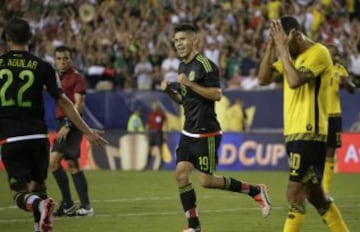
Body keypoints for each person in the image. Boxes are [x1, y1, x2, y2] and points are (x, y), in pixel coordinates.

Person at [161, 23, 271, 232]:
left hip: (206, 132)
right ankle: (194, 226)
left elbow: (217, 94)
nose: (178, 44)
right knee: (181, 175)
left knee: (207, 181)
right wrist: (169, 92)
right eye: (176, 40)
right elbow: (185, 101)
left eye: (182, 39)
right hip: (188, 131)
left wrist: (190, 84)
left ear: (194, 40)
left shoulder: (206, 65)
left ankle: (256, 191)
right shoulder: (182, 66)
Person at [0, 17, 106, 232]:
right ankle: (41, 220)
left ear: (7, 38)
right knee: (39, 187)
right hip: (38, 138)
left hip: (11, 137)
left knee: (20, 193)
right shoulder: (43, 66)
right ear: (31, 37)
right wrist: (87, 132)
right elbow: (65, 103)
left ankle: (39, 205)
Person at [258, 15, 349, 232]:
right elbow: (263, 79)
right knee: (317, 198)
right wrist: (271, 46)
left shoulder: (319, 52)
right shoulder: (291, 56)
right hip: (294, 133)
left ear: (296, 35)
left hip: (310, 132)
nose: (284, 47)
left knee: (294, 193)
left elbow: (295, 80)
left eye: (285, 40)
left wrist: (281, 48)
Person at [49, 45, 94, 217]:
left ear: (71, 59)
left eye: (65, 58)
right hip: (62, 122)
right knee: (73, 165)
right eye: (59, 58)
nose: (62, 61)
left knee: (53, 162)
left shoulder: (76, 78)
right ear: (54, 60)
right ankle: (85, 206)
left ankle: (68, 203)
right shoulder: (55, 78)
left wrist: (68, 124)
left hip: (72, 124)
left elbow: (79, 103)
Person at [322, 44, 355, 195]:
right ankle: (314, 188)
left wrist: (347, 84)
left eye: (336, 54)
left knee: (331, 150)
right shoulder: (320, 68)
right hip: (320, 114)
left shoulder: (340, 69)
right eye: (331, 53)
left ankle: (326, 190)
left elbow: (352, 89)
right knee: (317, 150)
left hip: (335, 115)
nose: (334, 56)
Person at [146, 99, 167, 170]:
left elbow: (165, 123)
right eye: (153, 105)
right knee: (149, 149)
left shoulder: (161, 114)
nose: (154, 106)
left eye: (155, 105)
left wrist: (165, 133)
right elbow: (148, 124)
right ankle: (147, 165)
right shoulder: (150, 114)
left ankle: (160, 165)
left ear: (157, 106)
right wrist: (147, 133)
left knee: (159, 149)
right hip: (151, 133)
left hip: (158, 132)